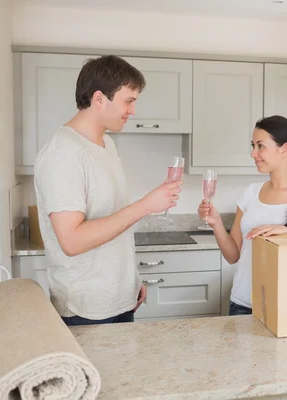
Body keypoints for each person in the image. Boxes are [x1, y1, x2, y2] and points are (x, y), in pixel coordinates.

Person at [34, 55, 182, 326]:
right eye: (128, 100)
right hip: (86, 309)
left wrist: (131, 280)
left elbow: (112, 221)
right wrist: (145, 205)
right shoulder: (64, 154)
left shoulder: (107, 145)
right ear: (99, 98)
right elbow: (72, 241)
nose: (133, 110)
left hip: (119, 299)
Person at [198, 115, 287, 315]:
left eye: (261, 146)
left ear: (284, 148)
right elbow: (233, 255)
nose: (253, 153)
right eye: (253, 145)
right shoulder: (250, 193)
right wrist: (216, 223)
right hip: (242, 303)